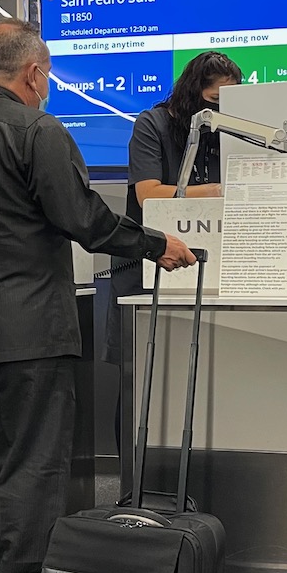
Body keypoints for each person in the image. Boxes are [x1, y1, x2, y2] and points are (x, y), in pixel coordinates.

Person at [0, 18, 196, 573]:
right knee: (30, 469)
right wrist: (156, 245)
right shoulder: (39, 132)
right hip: (30, 330)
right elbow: (86, 221)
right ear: (33, 74)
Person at [105, 51, 243, 364]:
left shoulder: (228, 131)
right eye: (214, 100)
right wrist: (213, 192)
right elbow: (149, 194)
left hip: (212, 271)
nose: (220, 109)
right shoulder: (153, 125)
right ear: (192, 94)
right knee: (142, 374)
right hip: (149, 265)